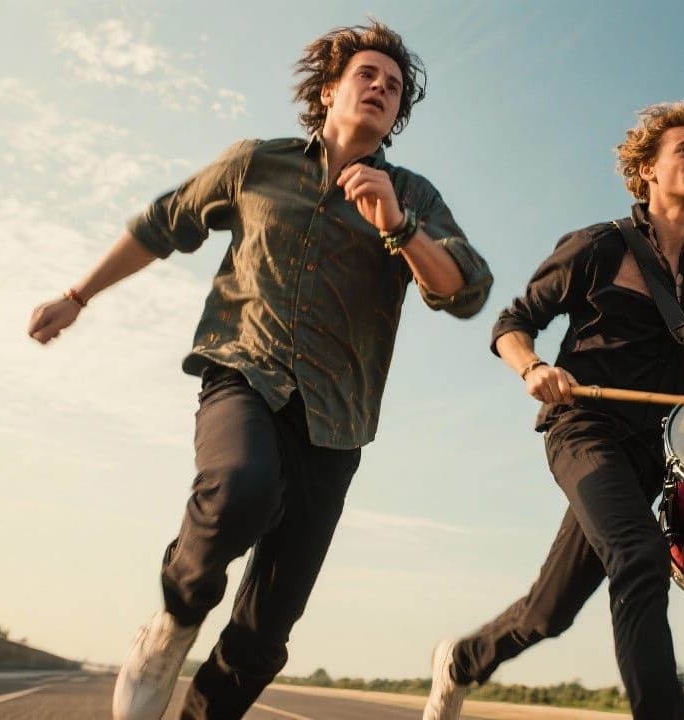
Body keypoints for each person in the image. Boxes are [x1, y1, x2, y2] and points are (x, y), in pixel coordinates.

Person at [27, 20, 492, 720]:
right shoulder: (257, 163)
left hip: (336, 422)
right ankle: (174, 620)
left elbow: (465, 290)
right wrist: (76, 296)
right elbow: (163, 222)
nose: (381, 89)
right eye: (367, 75)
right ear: (330, 89)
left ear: (398, 115)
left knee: (265, 632)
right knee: (239, 488)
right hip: (244, 372)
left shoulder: (413, 196)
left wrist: (397, 225)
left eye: (394, 88)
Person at [422, 101, 684, 720]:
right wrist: (534, 368)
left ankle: (463, 661)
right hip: (584, 428)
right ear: (647, 169)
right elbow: (512, 323)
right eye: (683, 149)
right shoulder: (598, 246)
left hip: (653, 450)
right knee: (640, 555)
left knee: (549, 613)